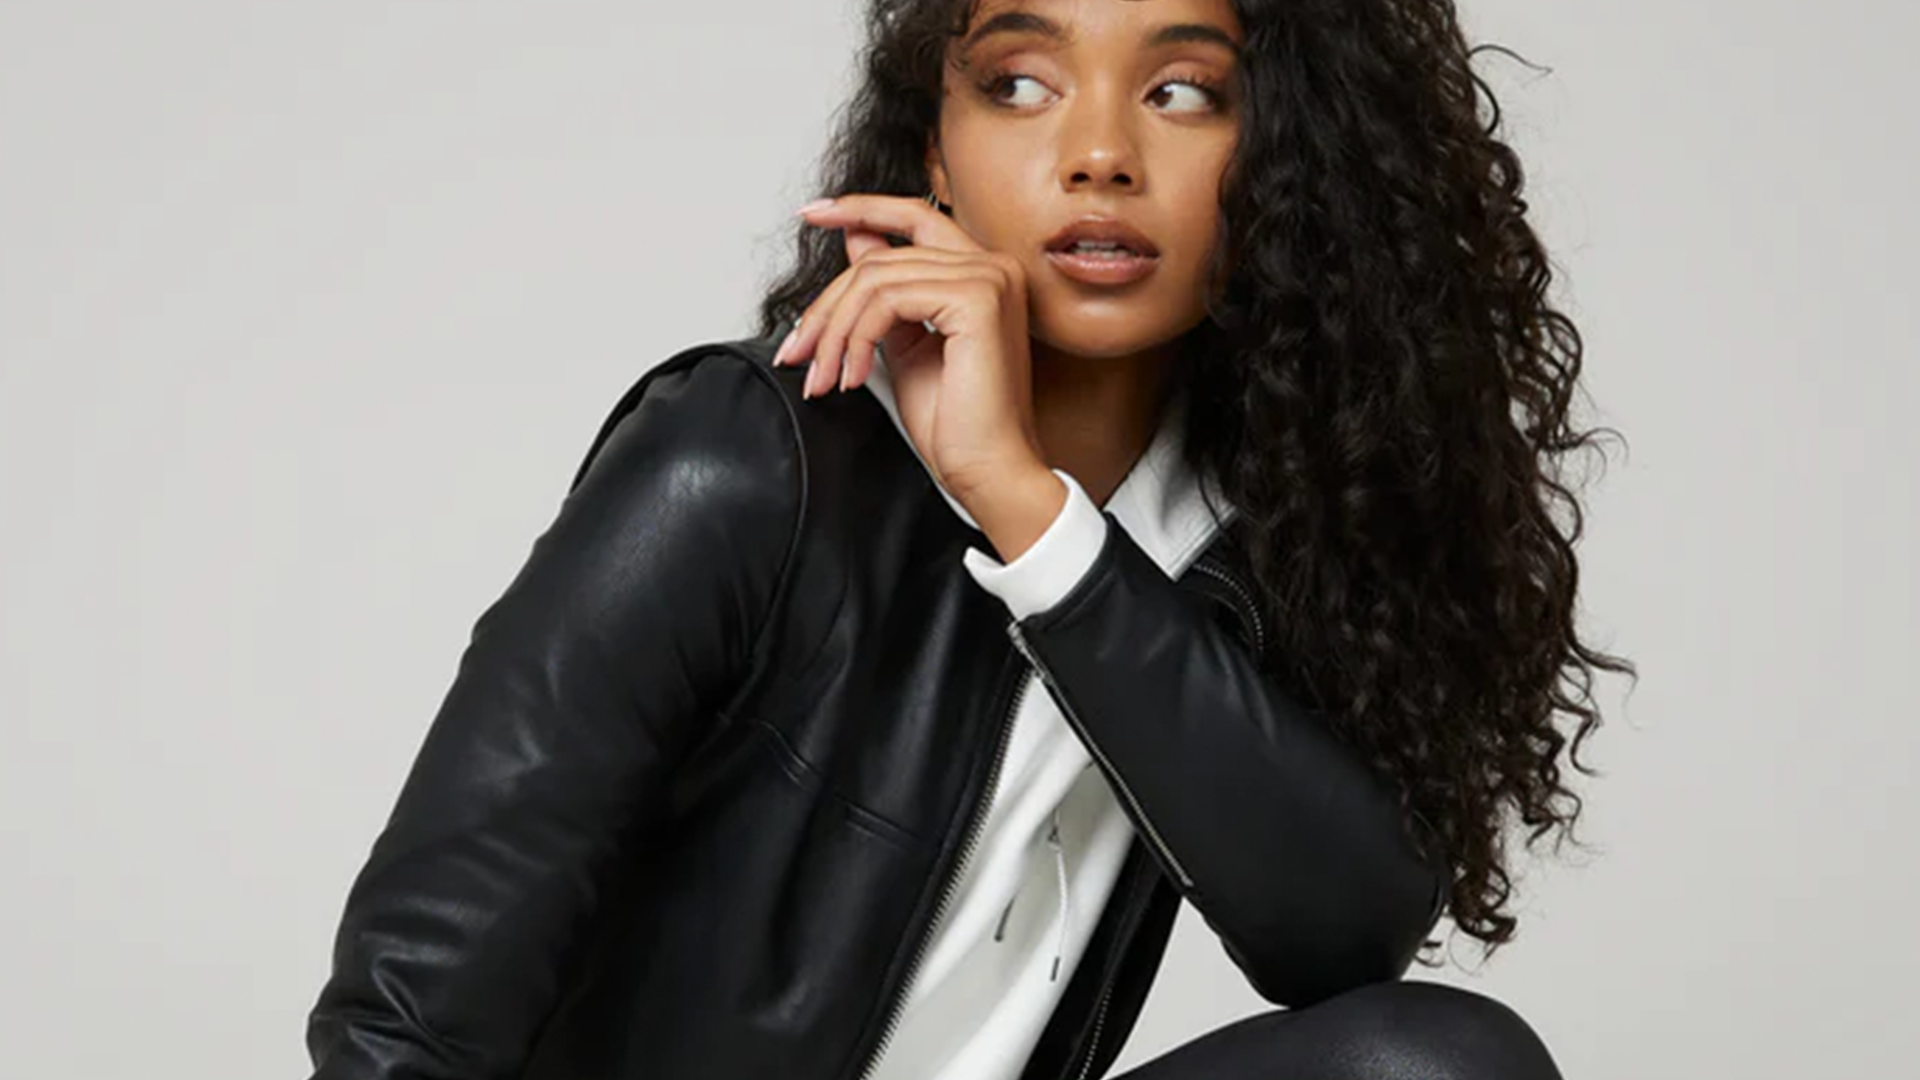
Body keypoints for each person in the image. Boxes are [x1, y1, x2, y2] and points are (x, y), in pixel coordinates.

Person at [303, 1, 1636, 1078]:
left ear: (1286, 153)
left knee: (1438, 1068)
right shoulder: (744, 464)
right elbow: (408, 1019)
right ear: (934, 157)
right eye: (1018, 82)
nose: (1100, 152)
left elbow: (1344, 937)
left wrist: (1031, 514)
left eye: (1183, 91)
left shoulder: (1250, 536)